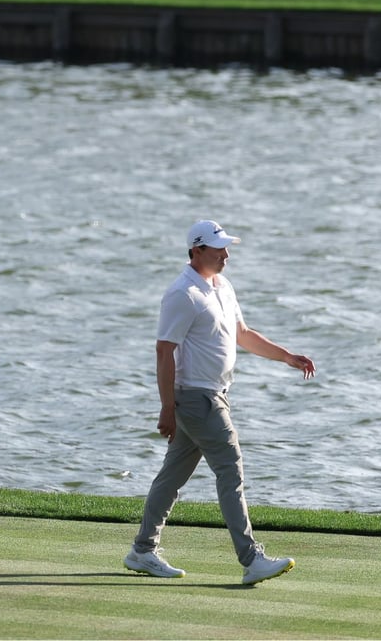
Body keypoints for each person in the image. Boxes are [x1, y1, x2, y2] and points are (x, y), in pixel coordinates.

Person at [125, 220, 316, 586]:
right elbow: (164, 352)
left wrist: (287, 357)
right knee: (230, 470)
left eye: (226, 247)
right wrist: (167, 407)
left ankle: (142, 550)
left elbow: (242, 334)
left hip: (214, 394)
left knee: (173, 476)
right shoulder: (183, 294)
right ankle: (251, 559)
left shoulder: (222, 286)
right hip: (197, 398)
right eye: (218, 248)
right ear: (197, 251)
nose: (226, 254)